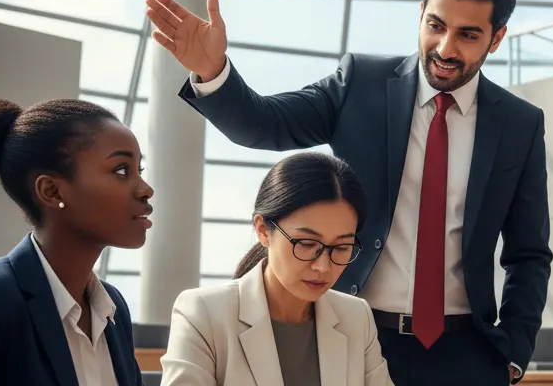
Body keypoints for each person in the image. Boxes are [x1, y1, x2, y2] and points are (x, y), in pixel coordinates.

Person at [146, 0, 552, 386]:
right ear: (421, 14)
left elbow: (528, 253)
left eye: (468, 35)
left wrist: (511, 352)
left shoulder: (519, 125)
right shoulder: (361, 83)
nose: (446, 48)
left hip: (466, 354)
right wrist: (213, 72)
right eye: (436, 26)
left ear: (497, 37)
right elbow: (266, 123)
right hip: (357, 339)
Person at [160, 152, 392, 386]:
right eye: (306, 244)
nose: (323, 266)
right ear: (262, 230)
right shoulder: (204, 314)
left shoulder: (355, 317)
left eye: (342, 247)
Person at [0, 98, 151, 386]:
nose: (146, 189)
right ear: (52, 191)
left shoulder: (113, 307)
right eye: (122, 170)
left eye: (138, 171)